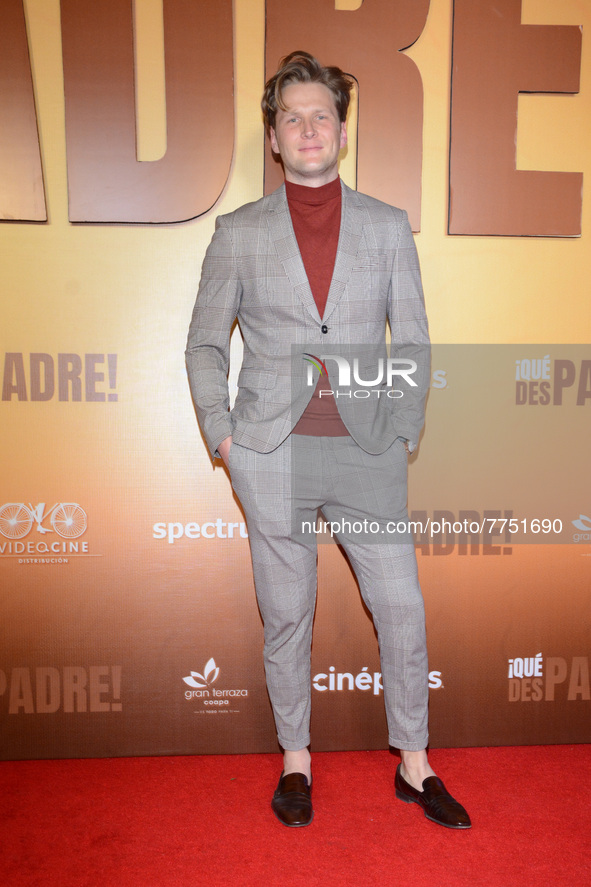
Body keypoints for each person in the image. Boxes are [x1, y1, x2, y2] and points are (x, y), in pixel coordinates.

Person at [186, 51, 470, 830]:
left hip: (365, 450)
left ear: (339, 131)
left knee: (401, 608)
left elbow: (411, 340)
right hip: (270, 453)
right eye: (291, 117)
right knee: (287, 614)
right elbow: (205, 345)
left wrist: (401, 432)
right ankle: (296, 760)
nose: (306, 127)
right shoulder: (237, 233)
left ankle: (414, 763)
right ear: (273, 139)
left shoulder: (384, 227)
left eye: (320, 115)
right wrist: (225, 439)